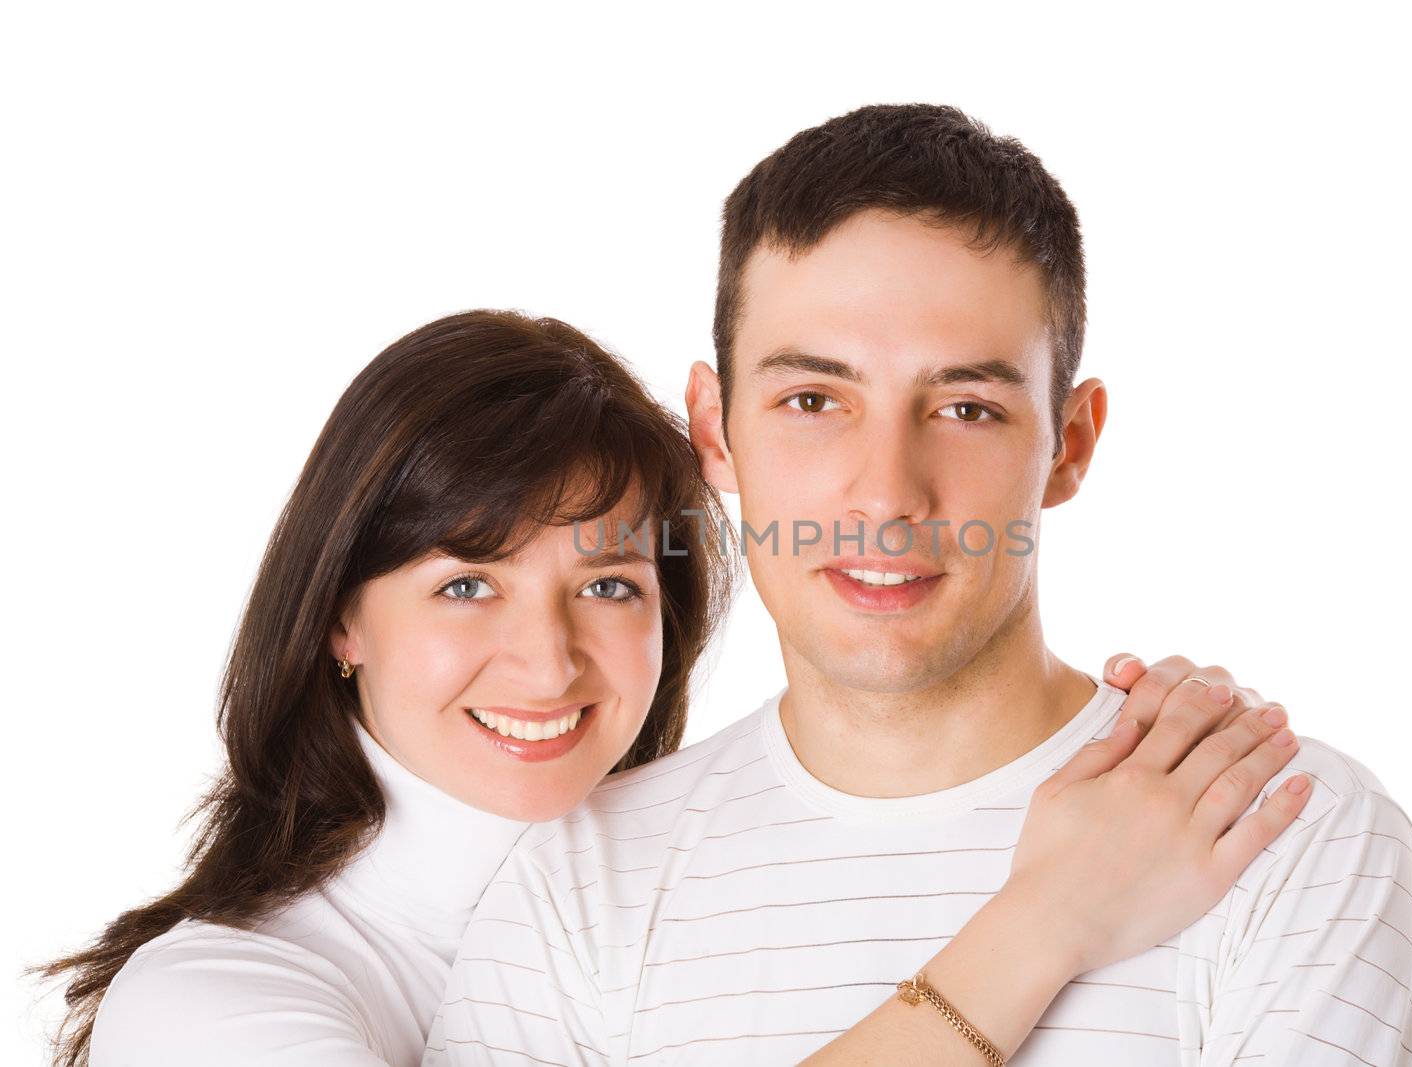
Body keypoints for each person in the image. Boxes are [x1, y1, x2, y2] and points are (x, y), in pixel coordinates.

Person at [424, 105, 1412, 1065]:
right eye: (812, 399)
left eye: (964, 408)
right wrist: (1038, 926)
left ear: (1068, 444)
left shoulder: (1281, 821)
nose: (885, 497)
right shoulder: (574, 881)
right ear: (716, 428)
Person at [36, 309, 1294, 1067]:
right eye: (465, 585)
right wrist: (1048, 922)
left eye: (610, 585)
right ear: (338, 624)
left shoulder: (685, 903)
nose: (546, 662)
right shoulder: (211, 1004)